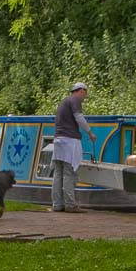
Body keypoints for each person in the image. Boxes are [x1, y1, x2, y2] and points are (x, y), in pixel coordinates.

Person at [51, 82, 97, 213]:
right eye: (85, 94)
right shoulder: (75, 99)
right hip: (69, 141)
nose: (84, 97)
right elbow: (79, 118)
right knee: (68, 172)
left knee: (58, 173)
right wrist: (90, 132)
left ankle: (57, 204)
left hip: (58, 140)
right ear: (81, 90)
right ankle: (70, 205)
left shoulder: (64, 101)